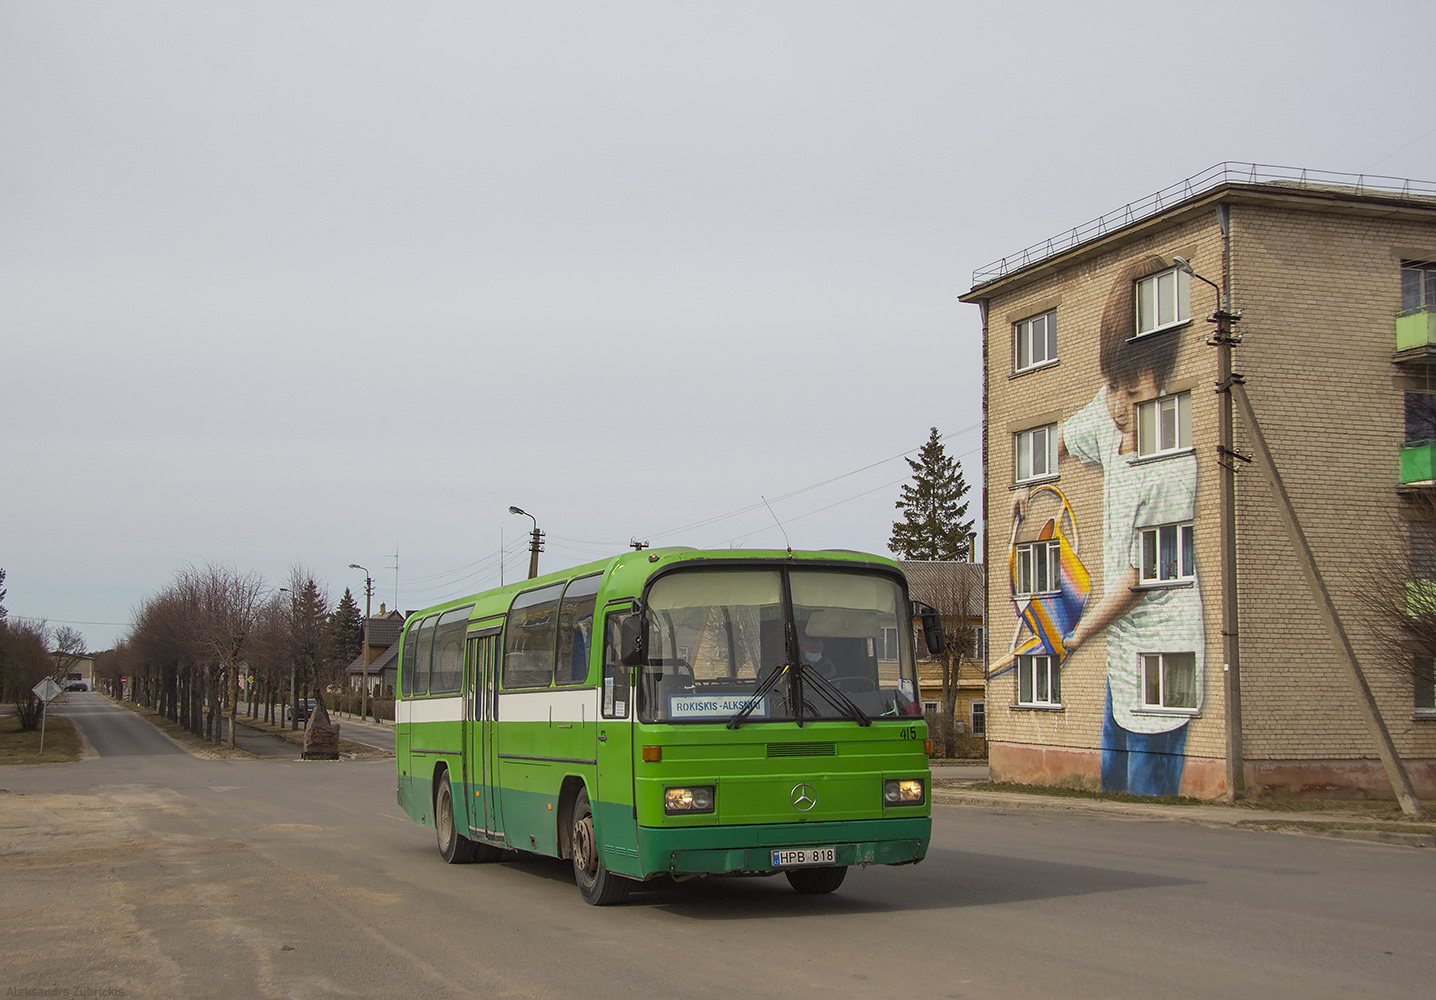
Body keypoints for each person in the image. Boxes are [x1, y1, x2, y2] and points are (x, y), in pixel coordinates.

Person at [1059, 254, 1205, 797]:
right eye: (1113, 386)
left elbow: (1139, 579)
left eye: (1134, 393)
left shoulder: (1173, 466)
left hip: (1166, 659)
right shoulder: (1111, 405)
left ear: (1162, 383)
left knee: (1149, 796)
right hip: (1123, 661)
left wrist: (1074, 637)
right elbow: (1061, 440)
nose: (1118, 407)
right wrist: (1028, 486)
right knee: (1112, 791)